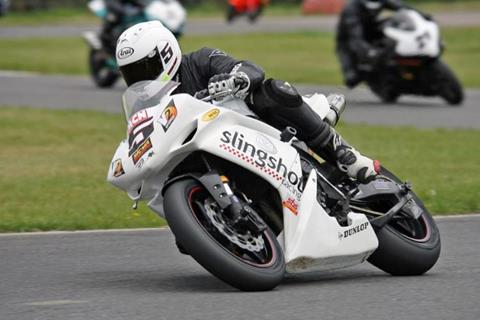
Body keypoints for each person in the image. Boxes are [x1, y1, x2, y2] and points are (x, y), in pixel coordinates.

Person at [116, 21, 380, 183]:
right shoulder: (146, 104)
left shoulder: (200, 60)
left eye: (145, 67)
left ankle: (343, 154)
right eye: (132, 73)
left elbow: (249, 68)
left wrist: (237, 78)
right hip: (205, 153)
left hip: (252, 127)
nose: (141, 78)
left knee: (272, 90)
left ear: (165, 52)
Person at [336, 0, 420, 88]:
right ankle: (356, 72)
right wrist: (369, 52)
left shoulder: (381, 1)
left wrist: (421, 14)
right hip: (349, 35)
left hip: (371, 28)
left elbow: (401, 6)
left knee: (390, 23)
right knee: (351, 77)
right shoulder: (351, 9)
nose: (373, 11)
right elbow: (356, 37)